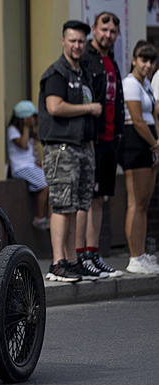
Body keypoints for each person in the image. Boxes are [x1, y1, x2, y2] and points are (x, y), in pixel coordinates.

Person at [38, 20, 104, 282]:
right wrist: (89, 109)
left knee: (76, 205)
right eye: (72, 40)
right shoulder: (57, 72)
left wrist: (91, 152)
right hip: (61, 149)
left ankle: (73, 260)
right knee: (62, 205)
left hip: (82, 148)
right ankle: (57, 263)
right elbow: (54, 107)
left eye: (81, 41)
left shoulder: (82, 73)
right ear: (63, 41)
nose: (77, 45)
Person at [77, 11, 125, 278]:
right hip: (92, 141)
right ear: (94, 29)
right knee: (87, 197)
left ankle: (94, 253)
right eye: (103, 29)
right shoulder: (85, 59)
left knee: (99, 199)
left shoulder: (111, 60)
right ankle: (81, 255)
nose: (108, 35)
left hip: (109, 140)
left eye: (113, 32)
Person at [118, 40, 159, 274]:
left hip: (149, 143)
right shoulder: (130, 84)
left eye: (152, 61)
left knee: (144, 203)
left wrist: (157, 144)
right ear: (134, 60)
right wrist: (154, 143)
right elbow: (137, 120)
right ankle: (134, 256)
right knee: (135, 202)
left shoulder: (146, 85)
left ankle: (141, 253)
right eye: (144, 60)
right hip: (135, 142)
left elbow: (153, 115)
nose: (148, 65)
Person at [6, 100, 50, 230]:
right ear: (24, 118)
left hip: (31, 167)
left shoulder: (30, 131)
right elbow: (24, 145)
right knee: (46, 184)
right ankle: (40, 218)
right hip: (21, 168)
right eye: (32, 117)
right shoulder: (12, 130)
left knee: (52, 182)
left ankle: (51, 218)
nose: (33, 119)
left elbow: (37, 142)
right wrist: (26, 127)